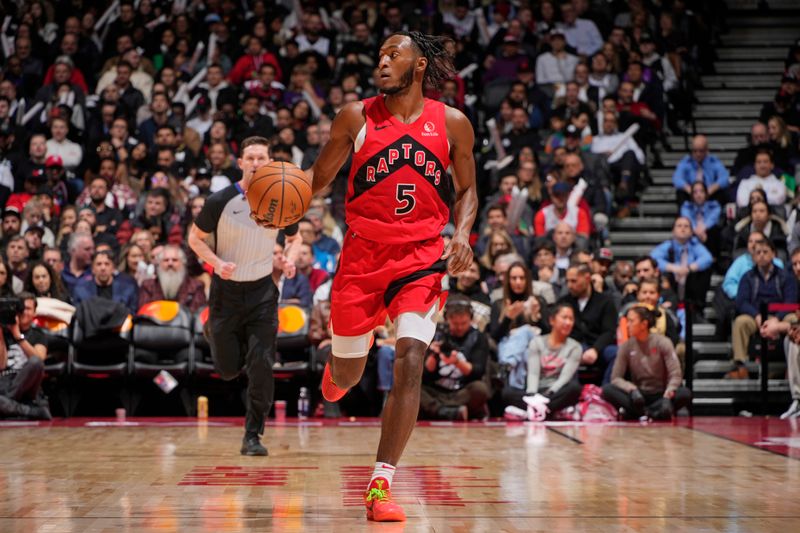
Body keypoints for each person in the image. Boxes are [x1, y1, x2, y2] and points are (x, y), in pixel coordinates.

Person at [305, 32, 477, 522]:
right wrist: (282, 202)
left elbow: (466, 190)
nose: (381, 62)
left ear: (419, 66)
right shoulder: (355, 117)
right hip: (362, 259)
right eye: (379, 55)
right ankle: (336, 374)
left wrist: (462, 234)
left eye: (392, 55)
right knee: (348, 375)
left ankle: (380, 485)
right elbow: (318, 180)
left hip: (421, 258)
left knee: (410, 359)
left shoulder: (452, 124)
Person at [188, 136, 300, 457]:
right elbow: (195, 240)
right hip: (226, 292)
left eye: (261, 158)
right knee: (226, 369)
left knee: (262, 364)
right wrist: (217, 263)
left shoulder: (281, 199)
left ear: (269, 163)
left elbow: (295, 238)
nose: (255, 163)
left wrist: (289, 257)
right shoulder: (219, 201)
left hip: (263, 292)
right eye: (249, 158)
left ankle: (253, 435)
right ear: (240, 163)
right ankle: (217, 333)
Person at [602, 306, 691, 420]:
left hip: (661, 393)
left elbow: (675, 374)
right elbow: (616, 378)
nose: (627, 325)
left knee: (685, 393)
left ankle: (646, 413)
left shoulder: (663, 342)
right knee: (607, 390)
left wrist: (668, 394)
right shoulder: (626, 346)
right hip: (638, 395)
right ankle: (654, 413)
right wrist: (632, 389)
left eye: (631, 321)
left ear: (644, 324)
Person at [727, 239, 797, 379]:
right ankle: (741, 366)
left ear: (773, 254)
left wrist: (777, 319)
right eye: (757, 252)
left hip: (779, 315)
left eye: (765, 252)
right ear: (753, 257)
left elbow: (791, 301)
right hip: (756, 316)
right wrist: (757, 315)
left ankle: (792, 366)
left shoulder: (785, 277)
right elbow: (742, 302)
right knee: (741, 322)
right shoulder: (747, 277)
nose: (761, 255)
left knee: (794, 319)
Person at [502, 302, 582, 417]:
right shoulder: (537, 342)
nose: (568, 323)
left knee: (574, 389)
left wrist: (547, 395)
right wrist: (532, 396)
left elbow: (565, 377)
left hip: (556, 392)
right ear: (552, 320)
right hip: (536, 391)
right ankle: (548, 410)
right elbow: (533, 373)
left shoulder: (575, 347)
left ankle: (531, 411)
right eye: (564, 318)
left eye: (571, 319)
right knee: (507, 393)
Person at [420, 296, 490, 420]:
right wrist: (434, 355)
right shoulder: (437, 334)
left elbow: (478, 372)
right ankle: (448, 412)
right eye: (455, 324)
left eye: (464, 323)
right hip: (436, 391)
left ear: (471, 319)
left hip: (461, 391)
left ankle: (441, 411)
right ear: (447, 319)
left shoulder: (478, 337)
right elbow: (425, 374)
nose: (460, 327)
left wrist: (457, 362)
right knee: (413, 388)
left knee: (480, 389)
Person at [0, 292, 51, 420]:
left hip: (28, 384)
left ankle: (7, 404)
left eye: (28, 309)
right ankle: (30, 411)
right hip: (6, 381)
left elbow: (39, 361)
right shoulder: (4, 333)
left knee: (35, 362)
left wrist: (18, 336)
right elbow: (1, 365)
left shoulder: (38, 335)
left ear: (34, 313)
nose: (24, 312)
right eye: (21, 309)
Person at [138, 245, 207, 313]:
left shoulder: (196, 286)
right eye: (166, 260)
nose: (170, 263)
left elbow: (198, 314)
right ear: (159, 263)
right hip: (154, 323)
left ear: (183, 263)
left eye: (175, 260)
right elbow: (144, 313)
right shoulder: (148, 286)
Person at [73, 251, 139, 313]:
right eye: (99, 264)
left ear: (113, 268)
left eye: (107, 264)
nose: (103, 268)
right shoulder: (81, 291)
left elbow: (132, 313)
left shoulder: (127, 289)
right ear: (93, 269)